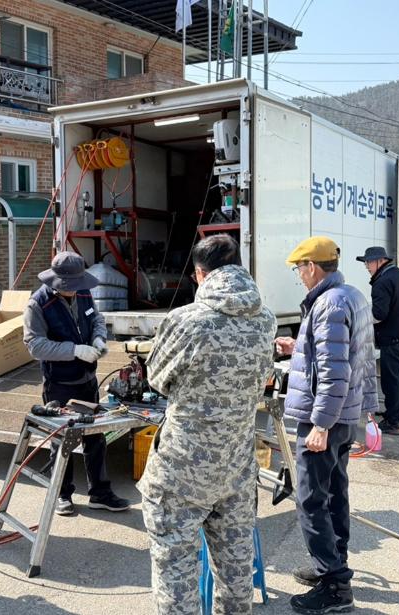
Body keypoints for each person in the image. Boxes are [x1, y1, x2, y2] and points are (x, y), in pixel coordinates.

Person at [140, 235, 277, 615]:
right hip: (236, 466)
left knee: (175, 568)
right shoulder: (265, 319)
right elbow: (264, 377)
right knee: (235, 571)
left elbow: (157, 378)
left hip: (181, 469)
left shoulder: (186, 320)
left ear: (200, 274)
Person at [275, 237, 378, 614]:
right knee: (334, 492)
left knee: (310, 498)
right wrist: (297, 347)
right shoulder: (350, 295)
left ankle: (334, 587)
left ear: (312, 267)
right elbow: (352, 355)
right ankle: (334, 566)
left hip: (327, 417)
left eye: (298, 268)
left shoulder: (328, 304)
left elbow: (336, 372)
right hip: (344, 414)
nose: (298, 275)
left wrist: (320, 424)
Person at [23, 251, 129, 515]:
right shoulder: (38, 304)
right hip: (59, 382)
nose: (72, 292)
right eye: (67, 288)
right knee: (62, 439)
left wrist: (98, 339)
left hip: (87, 379)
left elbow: (96, 319)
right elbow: (34, 345)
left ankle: (100, 493)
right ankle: (62, 494)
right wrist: (74, 350)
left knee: (96, 437)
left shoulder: (83, 292)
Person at [356, 246, 399, 436]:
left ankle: (392, 422)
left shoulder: (382, 281)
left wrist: (360, 317)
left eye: (368, 262)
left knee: (392, 382)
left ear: (380, 261)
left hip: (393, 339)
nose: (366, 266)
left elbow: (379, 314)